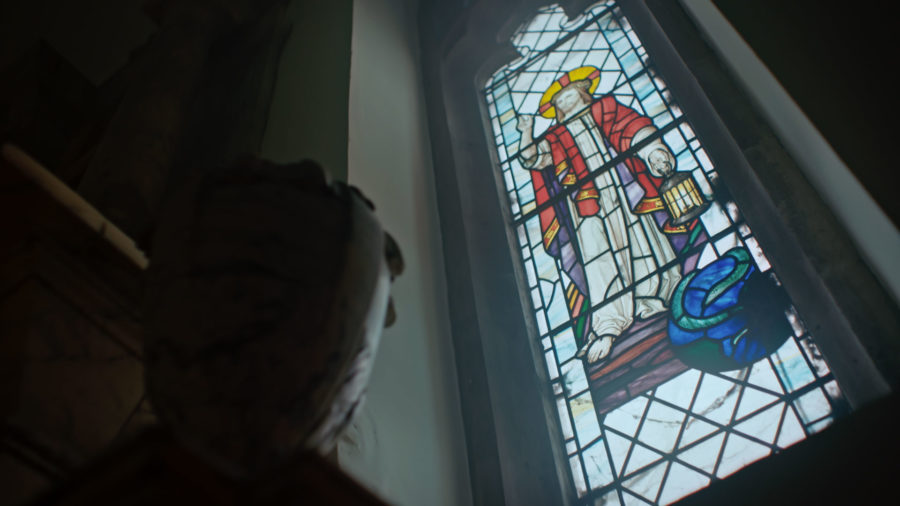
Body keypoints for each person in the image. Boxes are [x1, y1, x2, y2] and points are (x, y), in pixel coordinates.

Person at [516, 66, 682, 363]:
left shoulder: (606, 109)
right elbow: (533, 158)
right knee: (597, 256)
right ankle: (608, 325)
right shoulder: (555, 135)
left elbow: (633, 127)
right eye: (559, 101)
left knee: (640, 238)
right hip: (584, 203)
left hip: (623, 184)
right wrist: (526, 131)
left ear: (583, 92)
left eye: (568, 96)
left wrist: (653, 151)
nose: (564, 102)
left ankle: (652, 296)